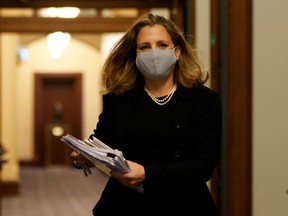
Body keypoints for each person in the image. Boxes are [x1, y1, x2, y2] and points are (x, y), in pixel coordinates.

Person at [71, 13, 222, 216]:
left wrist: (147, 174)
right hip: (126, 205)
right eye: (145, 47)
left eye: (162, 45)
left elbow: (204, 165)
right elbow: (101, 141)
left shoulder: (204, 100)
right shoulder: (118, 99)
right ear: (135, 55)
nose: (153, 53)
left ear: (177, 52)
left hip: (184, 205)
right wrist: (84, 156)